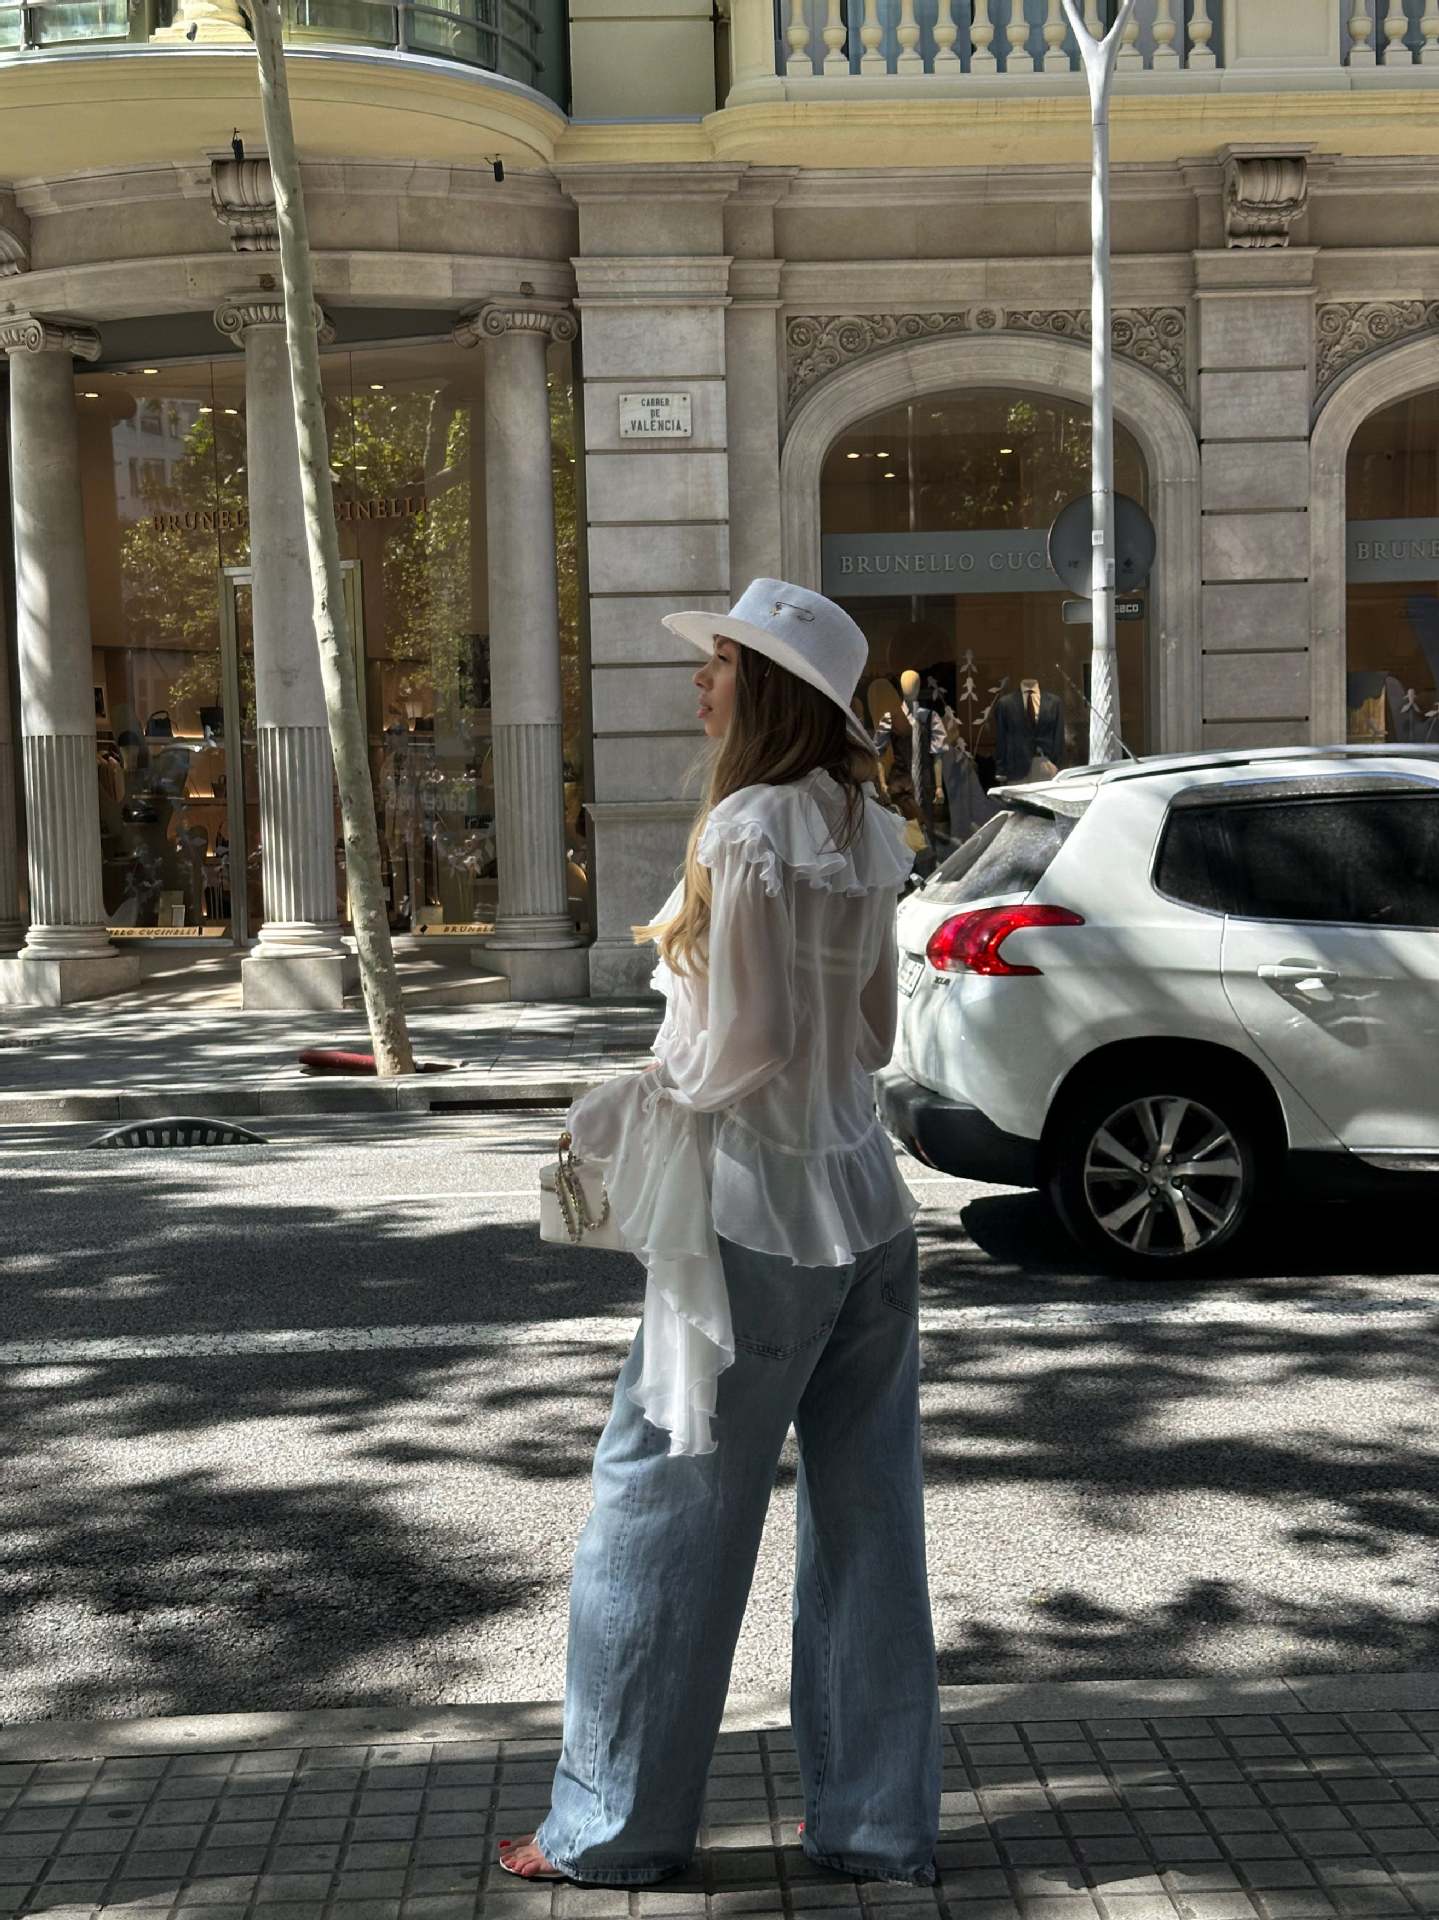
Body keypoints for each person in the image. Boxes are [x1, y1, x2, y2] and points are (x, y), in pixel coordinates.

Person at [501, 578, 942, 1892]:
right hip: (868, 1210)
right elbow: (872, 1037)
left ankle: (614, 1829)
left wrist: (644, 1091)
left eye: (725, 665)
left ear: (771, 693)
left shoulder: (747, 826)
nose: (701, 681)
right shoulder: (868, 827)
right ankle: (875, 1824)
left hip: (754, 1219)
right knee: (869, 1520)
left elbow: (743, 1048)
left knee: (657, 1509)